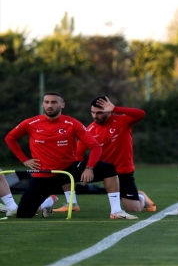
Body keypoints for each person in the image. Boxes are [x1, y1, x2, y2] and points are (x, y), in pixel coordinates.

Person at [4, 92, 138, 219]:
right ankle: (49, 202)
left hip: (69, 169)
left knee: (108, 168)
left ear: (62, 105)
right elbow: (10, 138)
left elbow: (96, 147)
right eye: (47, 102)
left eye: (54, 102)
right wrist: (25, 160)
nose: (50, 105)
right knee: (23, 214)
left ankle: (116, 211)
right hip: (43, 174)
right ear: (43, 104)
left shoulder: (72, 123)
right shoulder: (31, 123)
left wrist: (89, 168)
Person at [55, 96, 156, 213]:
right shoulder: (89, 130)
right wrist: (82, 170)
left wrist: (116, 108)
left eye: (99, 113)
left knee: (134, 209)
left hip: (123, 171)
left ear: (108, 111)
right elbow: (78, 153)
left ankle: (141, 196)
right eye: (92, 112)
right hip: (103, 171)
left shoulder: (122, 121)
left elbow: (140, 114)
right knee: (65, 169)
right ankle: (71, 203)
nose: (95, 116)